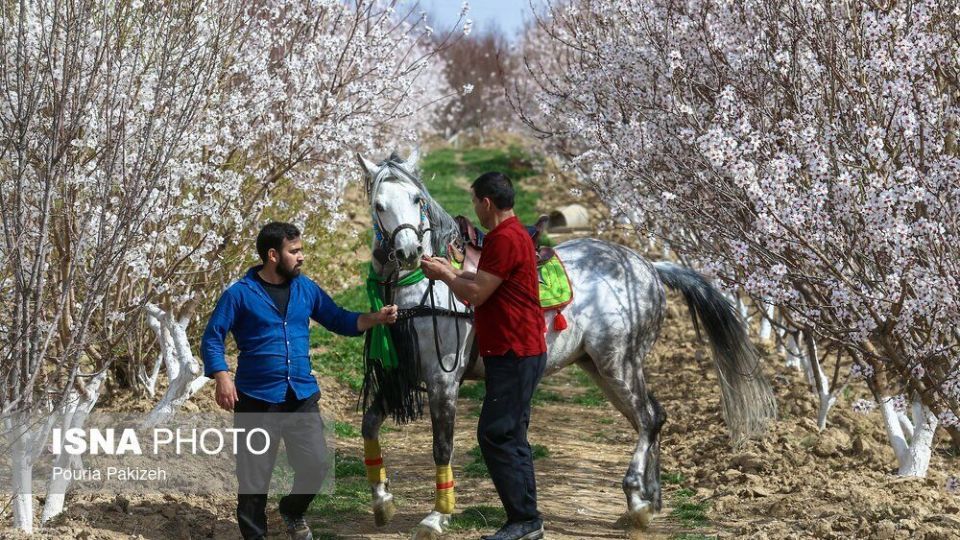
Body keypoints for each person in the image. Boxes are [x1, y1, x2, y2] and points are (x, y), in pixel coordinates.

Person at [201, 222, 398, 540]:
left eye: (301, 250)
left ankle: (292, 510)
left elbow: (338, 319)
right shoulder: (239, 294)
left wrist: (375, 319)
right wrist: (222, 375)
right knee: (254, 480)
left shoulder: (306, 289)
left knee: (317, 465)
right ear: (273, 255)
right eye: (294, 251)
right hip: (256, 400)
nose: (301, 256)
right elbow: (213, 337)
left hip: (301, 396)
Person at [421, 172, 547, 540]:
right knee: (512, 435)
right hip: (517, 351)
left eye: (475, 201)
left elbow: (476, 294)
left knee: (495, 434)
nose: (474, 208)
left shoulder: (505, 238)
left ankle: (523, 519)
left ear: (486, 203)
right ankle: (528, 519)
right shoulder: (508, 235)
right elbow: (480, 282)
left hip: (514, 352)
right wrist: (450, 270)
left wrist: (445, 276)